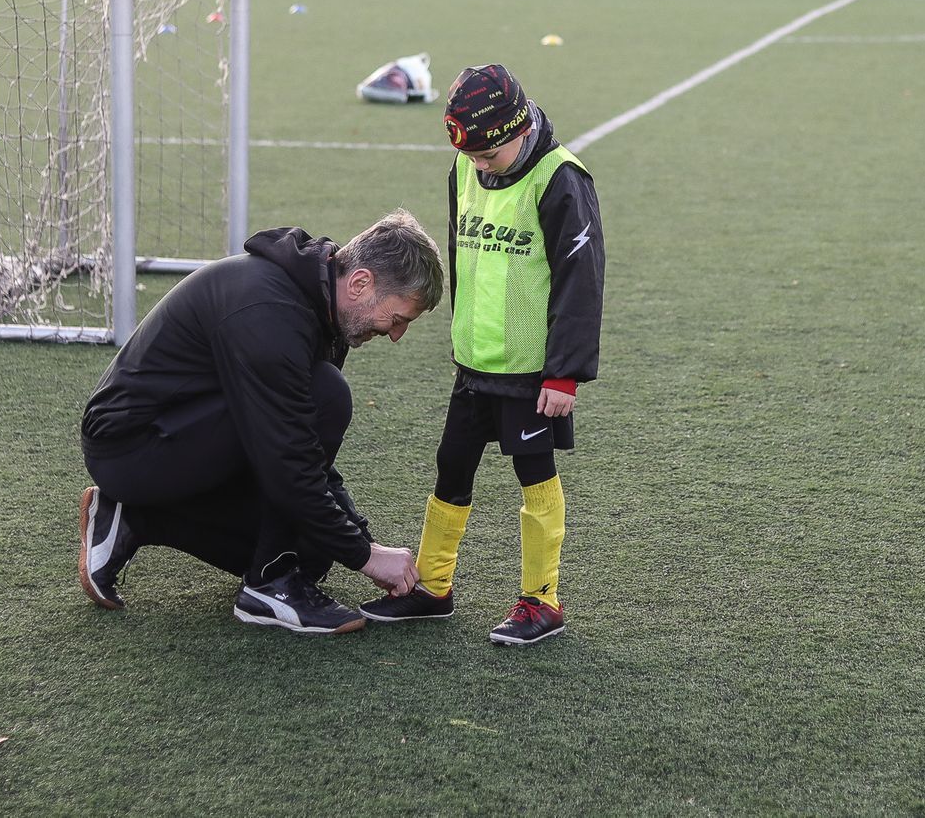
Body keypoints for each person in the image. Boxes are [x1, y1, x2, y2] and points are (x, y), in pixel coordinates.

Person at [77, 211, 445, 634]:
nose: (396, 334)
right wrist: (365, 554)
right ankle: (269, 586)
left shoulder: (319, 308)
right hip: (130, 448)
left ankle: (133, 518)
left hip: (182, 435)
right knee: (328, 395)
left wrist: (359, 540)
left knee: (312, 551)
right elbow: (289, 459)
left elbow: (305, 450)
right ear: (360, 283)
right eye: (398, 319)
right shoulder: (270, 312)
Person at [361, 64, 605, 647]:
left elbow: (582, 280)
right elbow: (461, 252)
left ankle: (540, 600)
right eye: (470, 154)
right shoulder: (465, 169)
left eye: (489, 153)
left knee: (534, 475)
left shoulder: (561, 179)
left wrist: (564, 374)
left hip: (531, 373)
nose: (479, 164)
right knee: (451, 466)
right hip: (474, 364)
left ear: (519, 129)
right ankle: (434, 589)